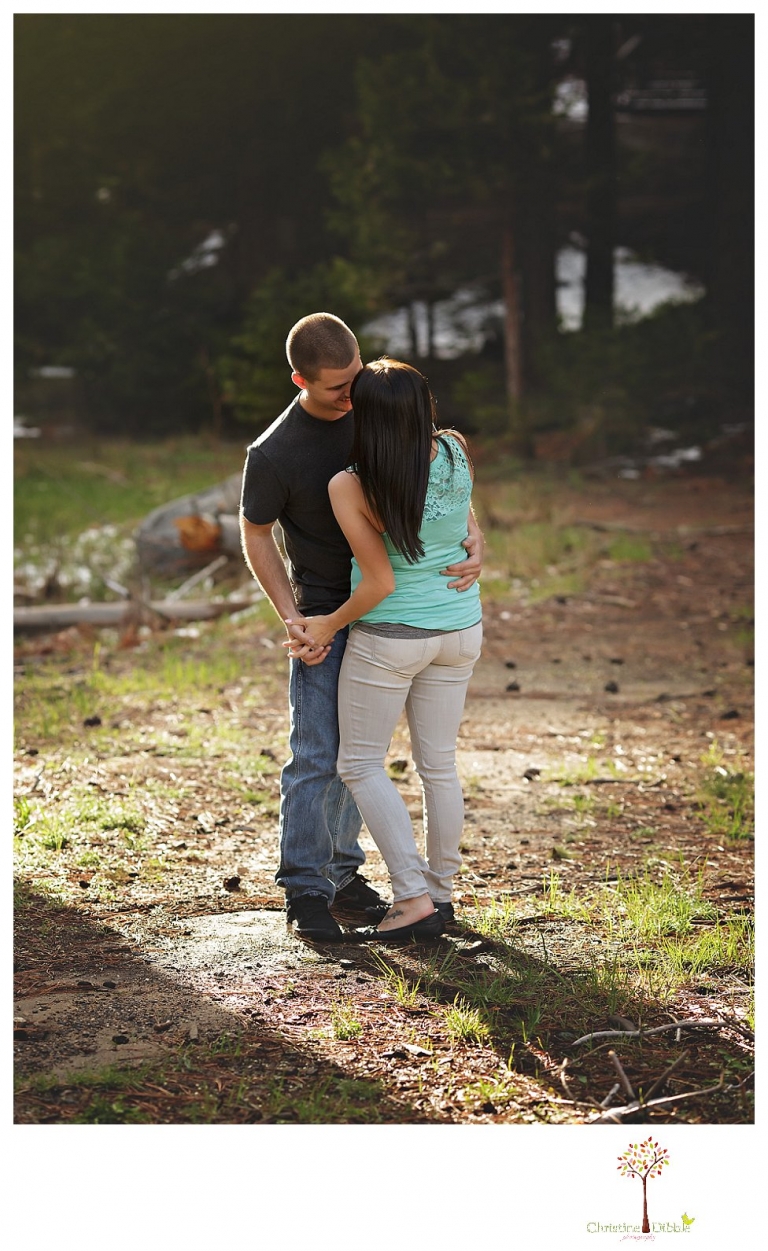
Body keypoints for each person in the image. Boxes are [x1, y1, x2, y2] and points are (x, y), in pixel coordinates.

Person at [240, 315, 484, 943]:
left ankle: (345, 874)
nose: (351, 399)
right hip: (326, 612)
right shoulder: (274, 453)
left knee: (362, 756)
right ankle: (304, 885)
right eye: (335, 391)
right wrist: (294, 618)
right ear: (300, 380)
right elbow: (256, 534)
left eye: (354, 383)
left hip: (382, 615)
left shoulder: (376, 404)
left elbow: (441, 492)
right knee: (321, 754)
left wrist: (474, 538)